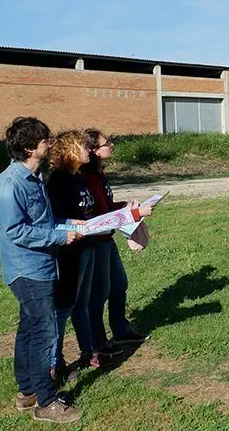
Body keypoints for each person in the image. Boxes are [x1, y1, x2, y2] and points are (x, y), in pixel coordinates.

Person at [0, 117, 83, 424]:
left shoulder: (34, 178)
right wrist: (59, 235)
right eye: (44, 140)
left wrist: (70, 224)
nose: (49, 143)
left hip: (42, 265)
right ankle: (46, 401)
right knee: (44, 333)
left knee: (29, 330)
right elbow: (16, 231)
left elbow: (41, 223)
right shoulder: (9, 185)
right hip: (27, 271)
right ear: (30, 147)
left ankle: (27, 390)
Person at [83, 129, 153, 350]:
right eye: (107, 143)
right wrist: (134, 215)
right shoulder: (88, 177)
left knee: (119, 284)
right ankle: (99, 343)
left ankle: (121, 330)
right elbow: (97, 216)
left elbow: (106, 207)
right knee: (99, 293)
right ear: (94, 150)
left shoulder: (98, 174)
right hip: (96, 241)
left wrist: (124, 206)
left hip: (107, 239)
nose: (111, 146)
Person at [46, 130, 100, 372]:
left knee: (82, 304)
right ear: (70, 151)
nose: (89, 150)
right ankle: (54, 364)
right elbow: (51, 219)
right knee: (64, 306)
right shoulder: (58, 181)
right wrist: (70, 224)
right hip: (69, 252)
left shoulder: (78, 177)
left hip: (87, 247)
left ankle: (88, 351)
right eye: (83, 147)